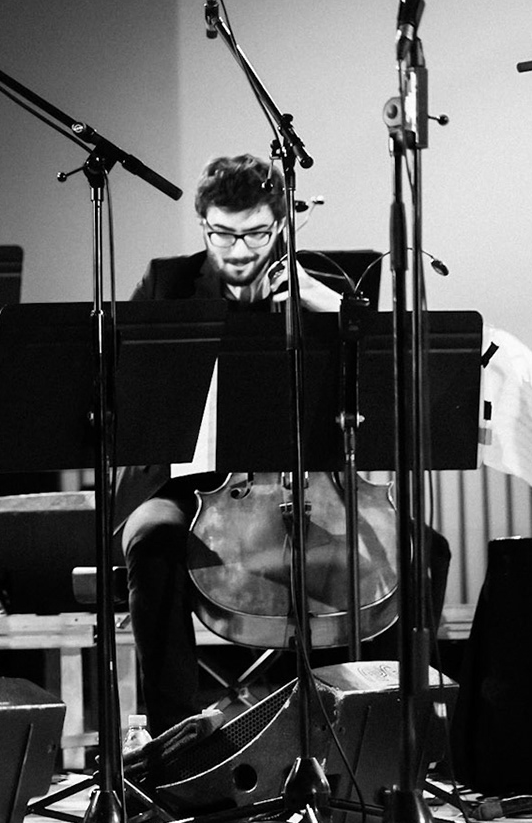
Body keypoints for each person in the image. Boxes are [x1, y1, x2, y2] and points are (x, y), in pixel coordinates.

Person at [116, 153, 447, 736]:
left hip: (312, 485)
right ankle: (176, 742)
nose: (238, 251)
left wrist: (327, 307)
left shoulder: (331, 283)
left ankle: (386, 730)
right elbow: (131, 390)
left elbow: (382, 378)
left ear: (281, 226)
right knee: (151, 538)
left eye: (256, 234)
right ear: (203, 225)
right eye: (222, 234)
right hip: (194, 483)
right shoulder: (168, 284)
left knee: (424, 551)